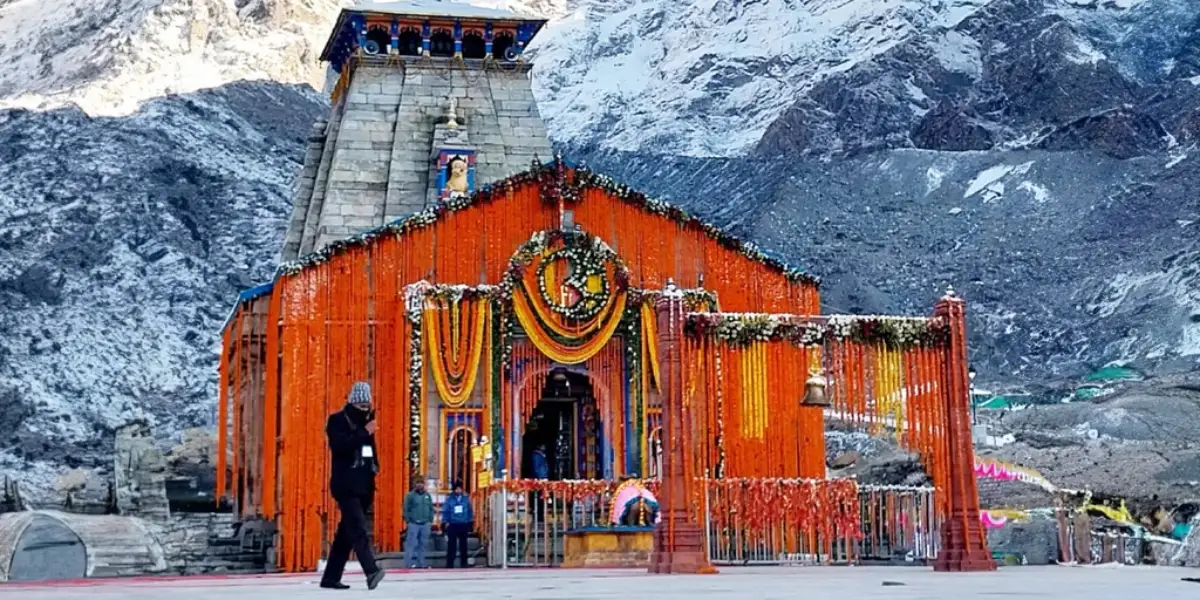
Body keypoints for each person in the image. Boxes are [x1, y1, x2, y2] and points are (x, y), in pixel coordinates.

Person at [320, 382, 385, 591]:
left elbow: (369, 451)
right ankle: (371, 571)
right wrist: (364, 432)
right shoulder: (337, 420)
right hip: (346, 485)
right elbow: (340, 446)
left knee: (345, 535)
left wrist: (374, 467)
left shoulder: (366, 423)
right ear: (353, 403)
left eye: (367, 405)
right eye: (361, 406)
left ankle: (330, 577)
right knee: (358, 529)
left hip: (364, 486)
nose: (365, 409)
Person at [441, 480, 474, 568]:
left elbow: (470, 511)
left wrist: (470, 521)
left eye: (460, 489)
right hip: (453, 524)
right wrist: (444, 522)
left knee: (464, 545)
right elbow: (446, 511)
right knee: (451, 545)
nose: (458, 490)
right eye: (457, 489)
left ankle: (464, 563)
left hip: (463, 523)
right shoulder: (449, 500)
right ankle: (450, 564)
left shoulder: (466, 499)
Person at [403, 478, 434, 568]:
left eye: (421, 483)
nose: (420, 485)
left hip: (425, 524)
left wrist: (430, 520)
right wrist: (408, 520)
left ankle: (422, 563)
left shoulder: (427, 495)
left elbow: (431, 508)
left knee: (423, 544)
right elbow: (406, 508)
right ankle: (408, 564)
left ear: (424, 484)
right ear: (415, 484)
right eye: (418, 483)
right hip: (414, 523)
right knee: (411, 544)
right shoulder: (410, 495)